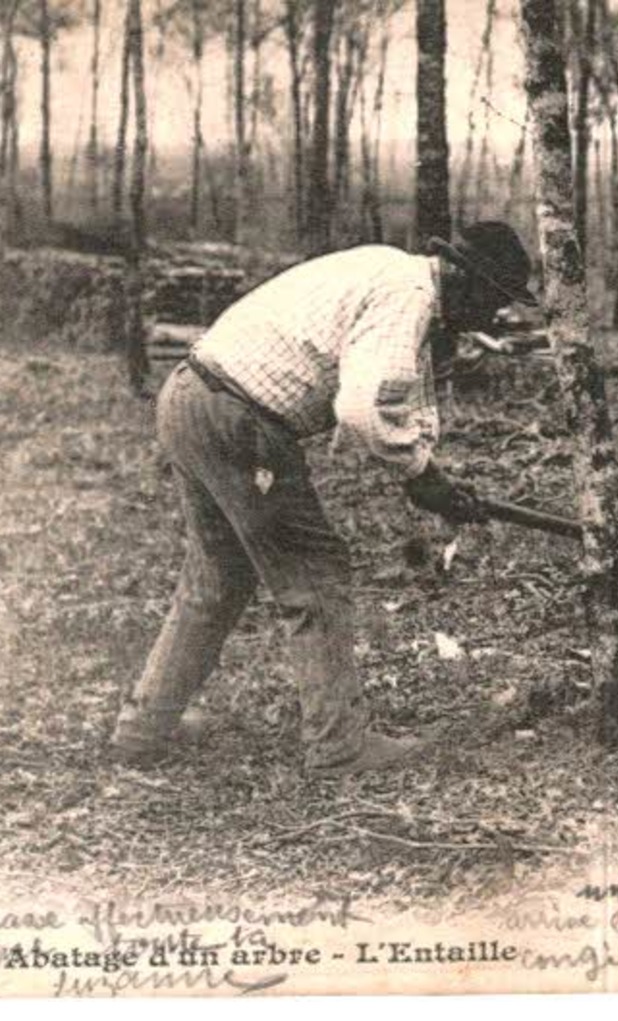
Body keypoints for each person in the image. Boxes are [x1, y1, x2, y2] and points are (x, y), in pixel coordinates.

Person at [111, 222, 538, 776]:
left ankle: (143, 730)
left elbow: (393, 398)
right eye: (493, 303)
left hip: (191, 397)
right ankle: (340, 746)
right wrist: (420, 473)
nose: (491, 319)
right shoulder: (408, 297)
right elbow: (362, 411)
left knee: (217, 576)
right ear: (465, 279)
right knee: (316, 573)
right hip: (238, 419)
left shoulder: (393, 274)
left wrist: (426, 474)